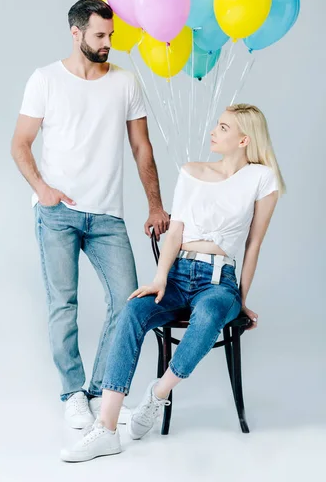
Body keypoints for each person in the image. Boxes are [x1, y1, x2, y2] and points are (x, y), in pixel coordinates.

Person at [60, 103, 285, 462]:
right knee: (133, 309)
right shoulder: (191, 171)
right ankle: (106, 427)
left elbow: (252, 244)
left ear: (244, 139)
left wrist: (240, 300)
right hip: (179, 274)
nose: (214, 131)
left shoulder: (262, 178)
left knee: (210, 314)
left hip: (218, 281)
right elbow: (176, 231)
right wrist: (159, 279)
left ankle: (157, 394)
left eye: (224, 128)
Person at [11, 0, 169, 429]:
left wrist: (155, 204)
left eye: (111, 36)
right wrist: (42, 189)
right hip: (57, 213)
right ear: (75, 32)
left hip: (106, 215)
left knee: (127, 299)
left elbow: (141, 148)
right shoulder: (45, 80)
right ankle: (72, 393)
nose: (107, 44)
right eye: (99, 36)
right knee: (64, 304)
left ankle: (100, 391)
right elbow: (20, 143)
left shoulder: (125, 82)